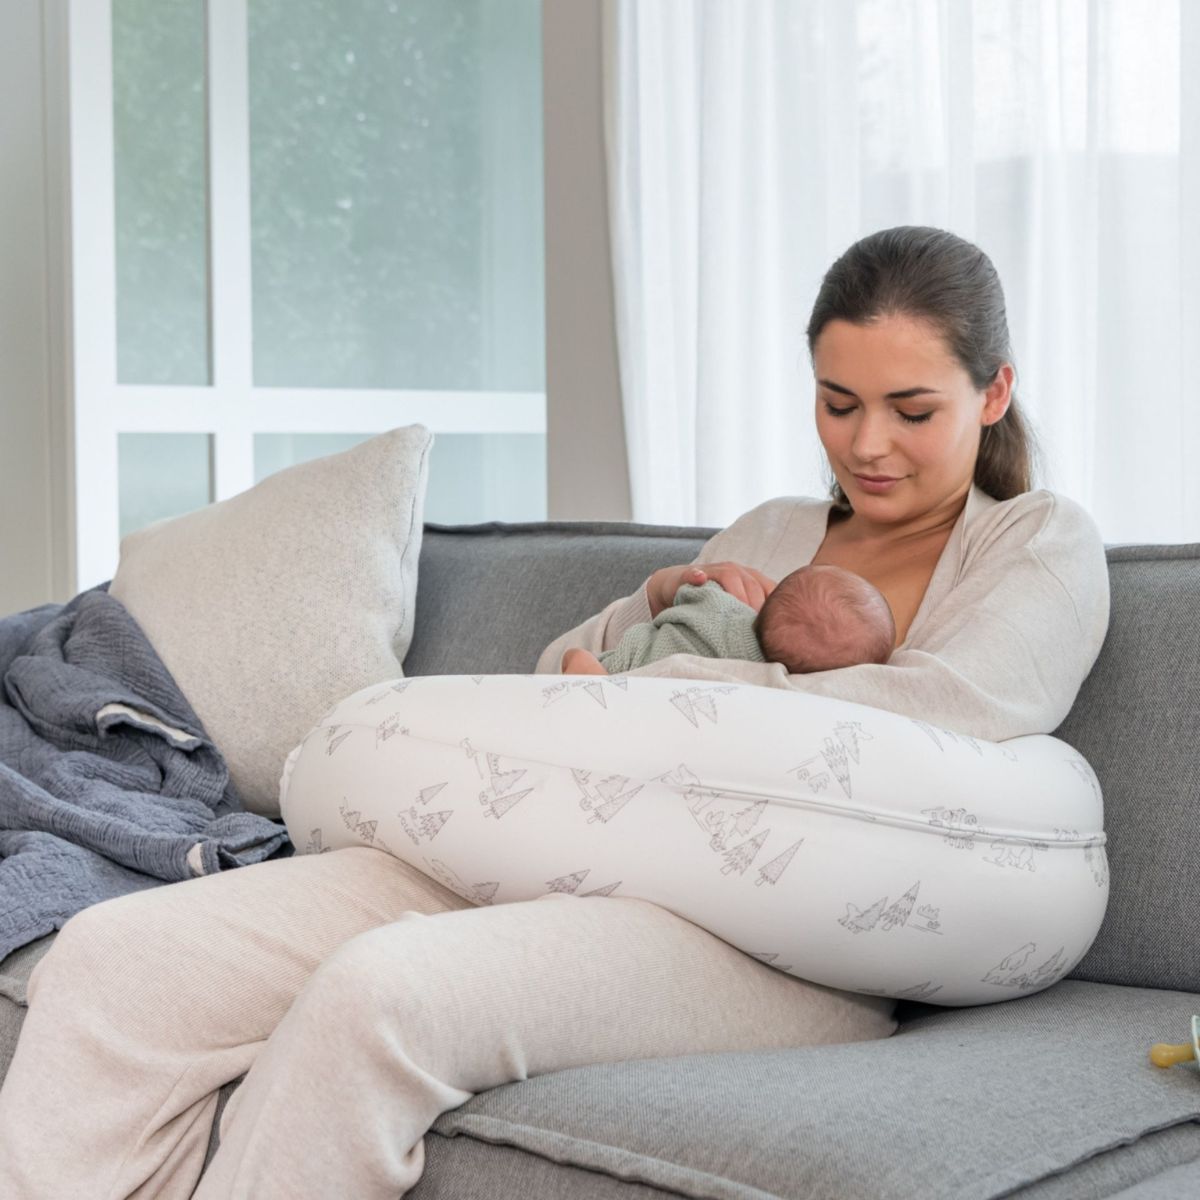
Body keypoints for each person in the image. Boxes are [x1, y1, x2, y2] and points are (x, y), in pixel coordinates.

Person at [0, 225, 1111, 1199]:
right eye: (838, 403)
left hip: (777, 952)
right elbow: (553, 690)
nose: (867, 445)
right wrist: (658, 607)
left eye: (912, 410)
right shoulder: (769, 535)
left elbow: (953, 712)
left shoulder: (1036, 543)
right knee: (116, 960)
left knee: (382, 995)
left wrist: (666, 696)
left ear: (994, 393)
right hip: (581, 847)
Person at [561, 564, 896, 676]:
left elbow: (695, 593)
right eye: (840, 407)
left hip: (625, 665)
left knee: (588, 665)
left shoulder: (720, 605)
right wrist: (660, 587)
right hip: (631, 694)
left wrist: (695, 588)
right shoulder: (765, 673)